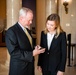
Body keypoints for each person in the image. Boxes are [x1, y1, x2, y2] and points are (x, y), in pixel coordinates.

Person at [5, 7, 45, 75]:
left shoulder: (27, 30)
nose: (31, 22)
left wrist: (35, 47)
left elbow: (28, 45)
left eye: (31, 20)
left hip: (29, 67)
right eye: (29, 20)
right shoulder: (11, 31)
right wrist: (32, 54)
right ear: (21, 18)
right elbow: (14, 52)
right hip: (19, 69)